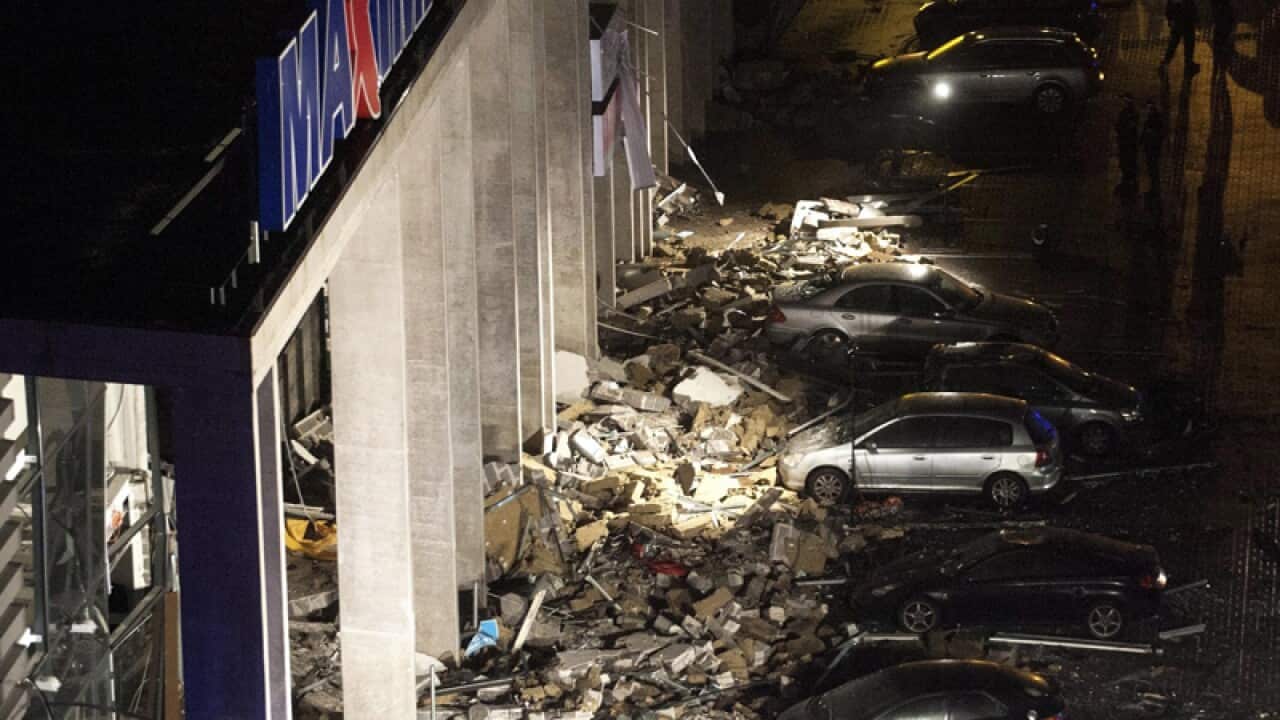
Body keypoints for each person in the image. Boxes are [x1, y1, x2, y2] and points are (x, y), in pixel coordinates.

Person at [1161, 0, 1201, 73]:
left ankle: (1165, 62)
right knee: (1188, 44)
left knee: (1173, 43)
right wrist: (1196, 20)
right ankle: (1188, 64)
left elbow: (1169, 7)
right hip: (1187, 21)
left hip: (1178, 20)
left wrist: (1170, 19)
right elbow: (1192, 7)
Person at [1115, 94, 1140, 197]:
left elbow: (1130, 126)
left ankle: (1129, 182)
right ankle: (1127, 181)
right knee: (1126, 161)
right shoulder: (1125, 113)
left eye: (1125, 101)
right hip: (1125, 142)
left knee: (1128, 161)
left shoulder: (1131, 113)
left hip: (1128, 142)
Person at [1141, 100, 1166, 197]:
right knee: (1151, 168)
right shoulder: (1150, 119)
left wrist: (1151, 134)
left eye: (1149, 108)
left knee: (1153, 168)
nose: (1148, 110)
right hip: (1150, 147)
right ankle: (1153, 188)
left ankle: (1155, 188)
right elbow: (1145, 132)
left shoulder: (1156, 120)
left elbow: (1160, 134)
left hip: (1153, 148)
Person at [1211, 0, 1236, 65]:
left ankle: (1218, 66)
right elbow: (1232, 21)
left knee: (1219, 51)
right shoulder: (1227, 8)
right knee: (1222, 51)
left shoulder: (1219, 7)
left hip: (1221, 31)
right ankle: (1221, 66)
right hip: (1223, 31)